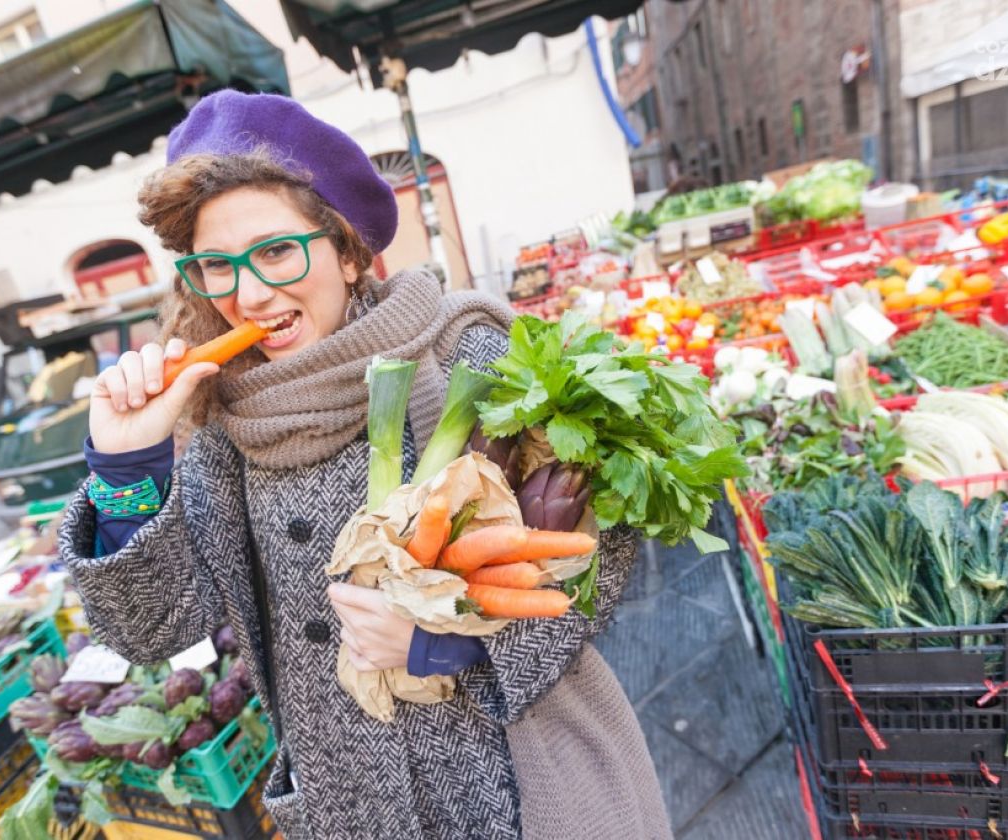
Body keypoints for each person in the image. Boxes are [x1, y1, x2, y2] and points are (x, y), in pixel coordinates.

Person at [58, 90, 669, 840]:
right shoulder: (225, 427)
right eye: (216, 266)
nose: (249, 295)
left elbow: (597, 562)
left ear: (348, 250)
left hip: (517, 777)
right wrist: (127, 470)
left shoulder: (464, 356)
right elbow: (153, 632)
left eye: (277, 250)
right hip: (352, 805)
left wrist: (448, 644)